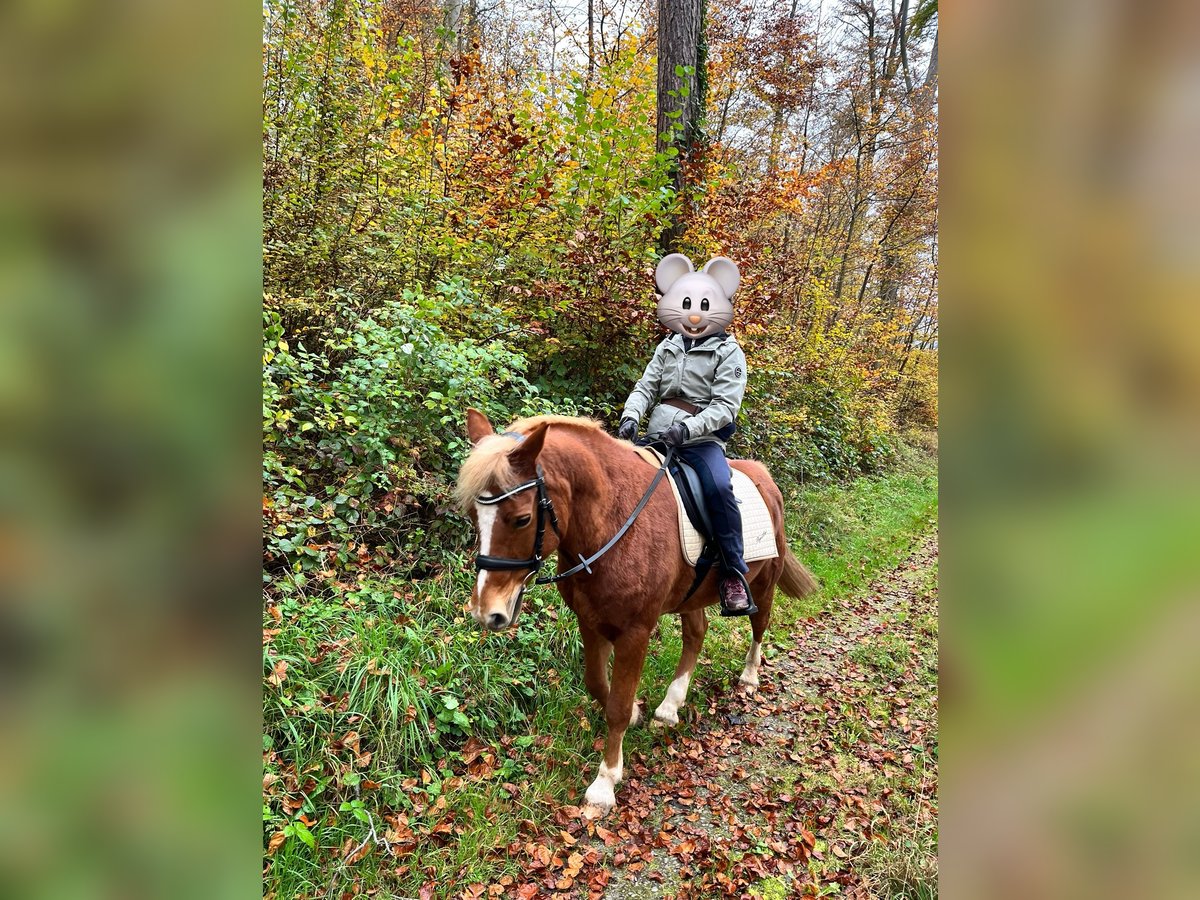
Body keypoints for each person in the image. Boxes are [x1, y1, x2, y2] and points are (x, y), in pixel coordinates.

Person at [616, 254, 757, 617]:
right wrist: (631, 417)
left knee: (718, 489)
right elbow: (645, 387)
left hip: (701, 442)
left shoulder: (729, 352)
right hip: (657, 438)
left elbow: (726, 406)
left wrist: (687, 428)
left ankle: (733, 575)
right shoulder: (669, 346)